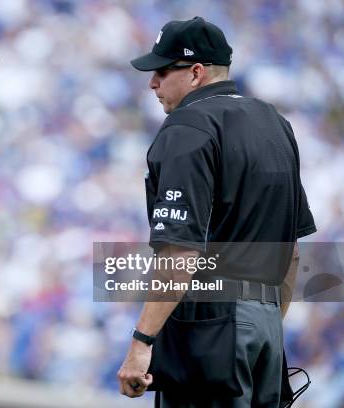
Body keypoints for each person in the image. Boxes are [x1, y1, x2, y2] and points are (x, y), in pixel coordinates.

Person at [117, 17, 316, 407]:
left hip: (211, 327)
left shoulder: (187, 126)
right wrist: (266, 324)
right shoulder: (276, 124)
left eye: (160, 71)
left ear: (195, 73)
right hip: (267, 324)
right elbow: (290, 251)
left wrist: (141, 342)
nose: (152, 83)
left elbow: (180, 252)